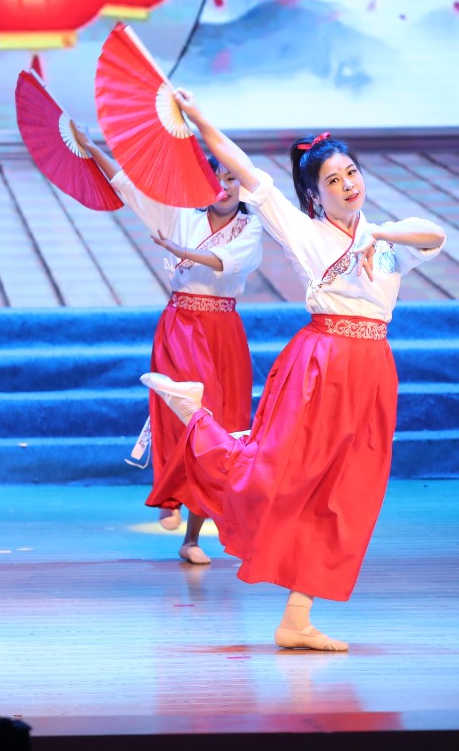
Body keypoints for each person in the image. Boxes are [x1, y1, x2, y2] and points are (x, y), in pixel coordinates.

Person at [142, 95, 444, 651]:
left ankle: (297, 618)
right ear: (314, 195)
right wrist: (202, 120)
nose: (348, 184)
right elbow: (246, 172)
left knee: (349, 495)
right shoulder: (306, 232)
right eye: (333, 180)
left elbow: (435, 236)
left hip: (374, 370)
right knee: (276, 476)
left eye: (351, 172)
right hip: (322, 364)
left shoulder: (384, 239)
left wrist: (380, 236)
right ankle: (197, 419)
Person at [74, 126, 262, 564]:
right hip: (180, 325)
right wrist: (93, 148)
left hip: (223, 330)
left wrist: (180, 249)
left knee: (219, 423)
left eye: (231, 178)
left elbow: (224, 262)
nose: (223, 186)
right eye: (214, 178)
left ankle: (193, 537)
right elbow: (129, 187)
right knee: (185, 412)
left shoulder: (251, 228)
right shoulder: (182, 215)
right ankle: (169, 495)